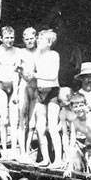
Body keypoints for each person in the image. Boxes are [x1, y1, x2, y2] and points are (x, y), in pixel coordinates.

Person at [32, 29, 62, 166]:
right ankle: (46, 158)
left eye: (42, 39)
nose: (38, 40)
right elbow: (29, 74)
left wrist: (35, 75)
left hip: (52, 92)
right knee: (39, 127)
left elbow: (52, 76)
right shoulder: (36, 55)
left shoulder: (54, 55)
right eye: (38, 38)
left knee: (52, 127)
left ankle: (58, 160)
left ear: (49, 42)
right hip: (40, 92)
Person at [0, 26, 22, 158]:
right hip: (1, 86)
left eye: (12, 38)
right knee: (3, 119)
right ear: (1, 38)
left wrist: (16, 92)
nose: (10, 40)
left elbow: (17, 73)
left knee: (14, 120)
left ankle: (14, 151)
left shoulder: (18, 51)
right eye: (7, 38)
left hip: (13, 86)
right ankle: (4, 151)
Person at [65, 93, 91, 177]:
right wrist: (69, 167)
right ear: (71, 108)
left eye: (81, 105)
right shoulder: (74, 122)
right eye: (75, 106)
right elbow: (72, 143)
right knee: (81, 163)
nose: (78, 109)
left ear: (86, 105)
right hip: (90, 148)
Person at [17, 27, 39, 158]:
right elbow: (16, 70)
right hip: (24, 86)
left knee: (32, 122)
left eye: (32, 38)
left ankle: (28, 147)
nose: (30, 41)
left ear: (36, 38)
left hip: (36, 87)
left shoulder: (40, 52)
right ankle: (22, 152)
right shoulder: (21, 52)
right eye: (27, 39)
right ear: (23, 40)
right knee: (22, 120)